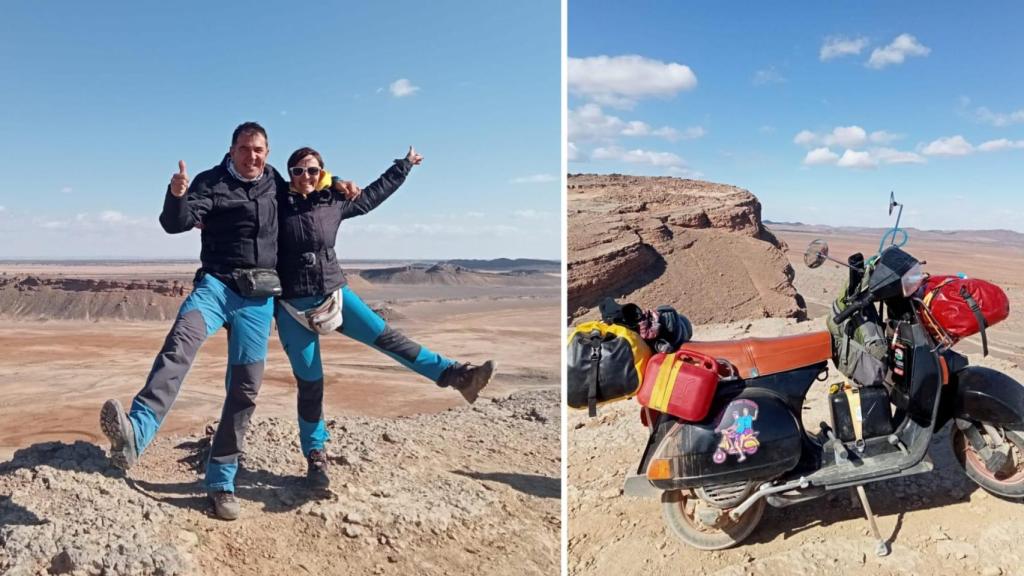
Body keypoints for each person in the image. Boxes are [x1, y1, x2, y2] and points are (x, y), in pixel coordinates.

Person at [99, 122, 357, 521]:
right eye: (245, 149)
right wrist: (177, 196)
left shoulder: (275, 181)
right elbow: (177, 222)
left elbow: (313, 179)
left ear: (267, 153)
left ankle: (221, 482)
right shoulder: (212, 181)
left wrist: (339, 181)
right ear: (231, 149)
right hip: (217, 286)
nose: (252, 156)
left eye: (259, 150)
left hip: (257, 300)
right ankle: (138, 431)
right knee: (180, 343)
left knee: (245, 390)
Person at [275, 145, 495, 488]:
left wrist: (403, 166)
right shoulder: (275, 204)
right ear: (288, 174)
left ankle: (457, 376)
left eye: (313, 171)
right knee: (311, 382)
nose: (305, 177)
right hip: (292, 307)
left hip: (334, 293)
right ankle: (316, 456)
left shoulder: (332, 202)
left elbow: (373, 195)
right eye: (298, 171)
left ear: (321, 174)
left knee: (388, 338)